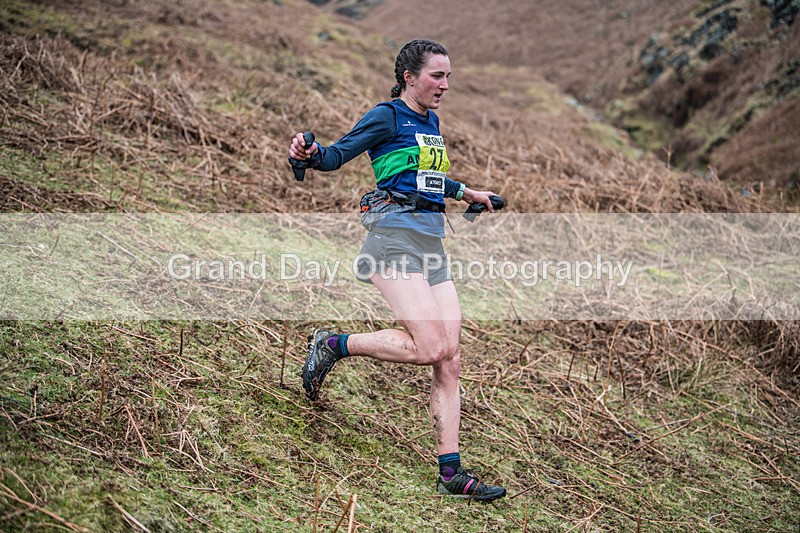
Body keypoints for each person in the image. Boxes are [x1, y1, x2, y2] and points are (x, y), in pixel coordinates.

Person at [288, 39, 506, 502]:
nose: (445, 84)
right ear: (409, 77)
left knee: (450, 357)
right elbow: (335, 155)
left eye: (448, 76)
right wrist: (309, 153)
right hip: (392, 235)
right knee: (430, 346)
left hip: (429, 239)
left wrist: (468, 193)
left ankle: (451, 472)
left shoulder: (431, 120)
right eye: (437, 76)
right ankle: (333, 344)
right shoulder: (386, 115)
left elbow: (422, 176)